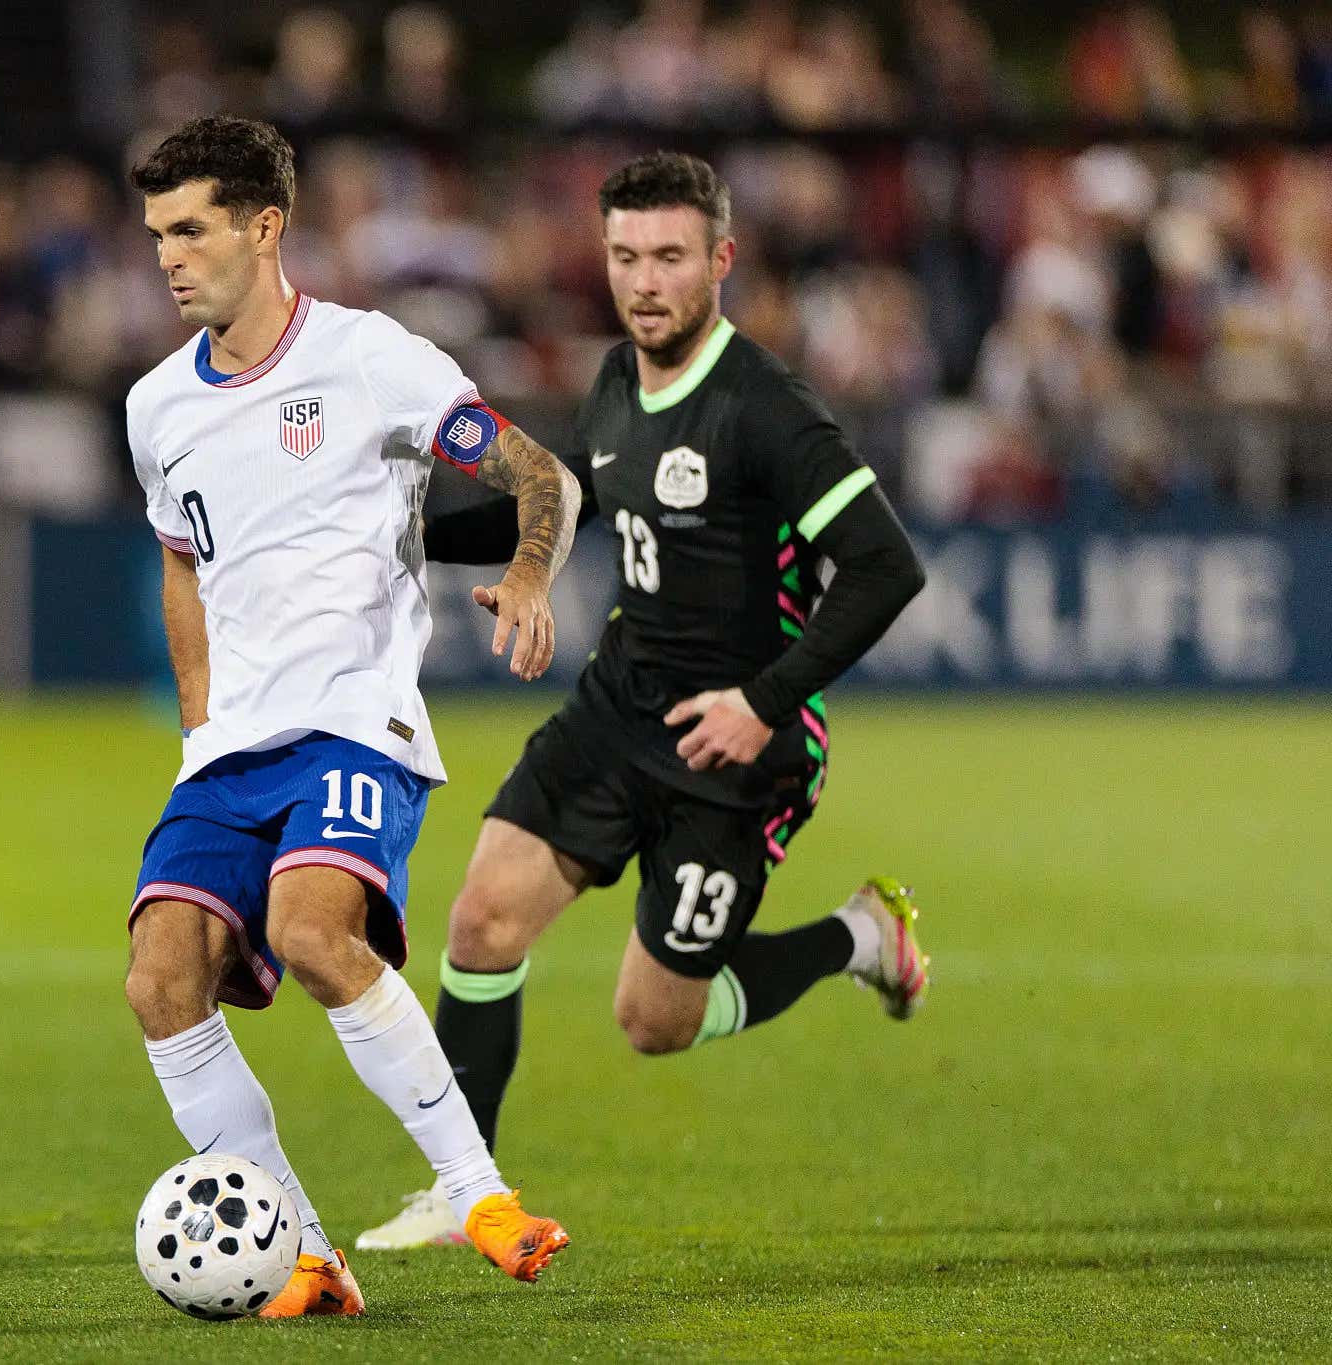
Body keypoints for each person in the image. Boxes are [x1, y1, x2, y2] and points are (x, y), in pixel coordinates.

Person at [357, 152, 930, 1250]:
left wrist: (764, 702)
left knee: (653, 1021)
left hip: (736, 751)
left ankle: (856, 937)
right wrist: (404, 536)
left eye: (667, 257)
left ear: (719, 260)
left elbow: (882, 567)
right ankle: (463, 1187)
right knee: (479, 921)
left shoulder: (767, 412)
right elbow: (575, 494)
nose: (642, 281)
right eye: (623, 257)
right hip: (618, 710)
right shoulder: (617, 376)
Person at [120, 116, 580, 1317]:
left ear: (264, 227)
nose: (167, 258)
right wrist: (197, 724)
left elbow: (541, 475)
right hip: (229, 753)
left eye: (190, 230)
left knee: (317, 933)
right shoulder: (156, 407)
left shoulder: (372, 358)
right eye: (155, 234)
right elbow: (182, 565)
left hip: (351, 723)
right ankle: (306, 1257)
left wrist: (527, 575)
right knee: (160, 980)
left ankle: (477, 1194)